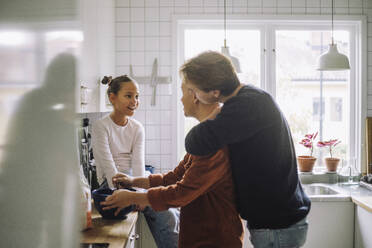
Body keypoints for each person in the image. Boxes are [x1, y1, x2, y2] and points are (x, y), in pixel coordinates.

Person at [181, 51, 311, 248]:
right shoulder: (251, 98)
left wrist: (213, 115)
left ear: (214, 92)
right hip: (280, 221)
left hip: (276, 226)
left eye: (195, 90)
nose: (194, 96)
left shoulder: (245, 106)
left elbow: (194, 142)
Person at [101, 79, 244, 248]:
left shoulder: (214, 142)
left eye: (183, 93)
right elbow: (176, 177)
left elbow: (182, 193)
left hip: (213, 239)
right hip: (201, 236)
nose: (181, 99)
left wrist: (133, 197)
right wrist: (133, 181)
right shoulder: (205, 135)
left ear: (196, 96)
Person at [92, 75, 179, 248]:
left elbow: (139, 164)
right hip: (110, 184)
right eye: (128, 95)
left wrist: (139, 193)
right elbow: (109, 169)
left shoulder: (137, 127)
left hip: (134, 180)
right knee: (167, 215)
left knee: (173, 212)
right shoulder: (101, 126)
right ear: (112, 97)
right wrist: (128, 195)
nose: (134, 101)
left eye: (137, 96)